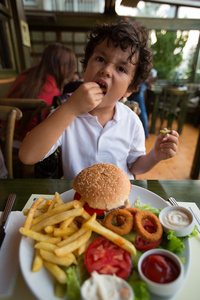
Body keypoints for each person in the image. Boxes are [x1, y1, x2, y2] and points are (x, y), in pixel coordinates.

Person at [19, 20, 179, 180]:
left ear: (129, 89)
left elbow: (135, 165)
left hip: (121, 201)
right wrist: (71, 108)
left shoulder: (131, 122)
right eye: (100, 59)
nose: (107, 70)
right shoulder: (66, 114)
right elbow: (27, 156)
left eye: (121, 68)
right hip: (78, 202)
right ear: (85, 67)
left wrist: (155, 155)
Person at [7, 43, 76, 139]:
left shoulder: (25, 76)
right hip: (28, 143)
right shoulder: (53, 92)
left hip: (5, 138)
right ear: (63, 68)